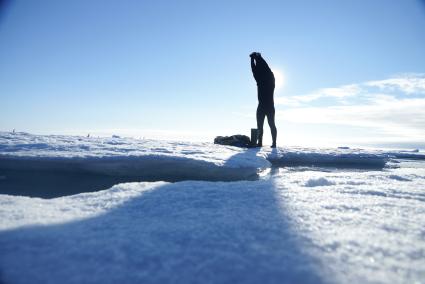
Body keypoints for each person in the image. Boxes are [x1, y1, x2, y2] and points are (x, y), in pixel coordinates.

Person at [250, 52, 277, 148]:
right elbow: (257, 70)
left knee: (269, 124)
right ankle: (261, 142)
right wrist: (255, 58)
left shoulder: (265, 80)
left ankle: (272, 143)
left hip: (266, 106)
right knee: (262, 125)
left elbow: (260, 69)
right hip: (265, 106)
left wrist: (255, 59)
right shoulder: (265, 80)